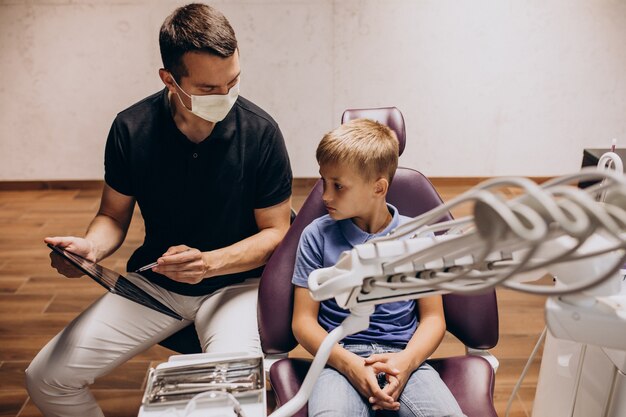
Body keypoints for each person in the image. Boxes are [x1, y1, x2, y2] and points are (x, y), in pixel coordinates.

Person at [26, 3, 292, 416]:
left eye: (233, 82)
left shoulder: (261, 132)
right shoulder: (131, 129)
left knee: (237, 405)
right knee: (45, 378)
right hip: (157, 282)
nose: (225, 96)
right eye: (208, 89)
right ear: (170, 79)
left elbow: (276, 233)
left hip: (236, 286)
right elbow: (113, 217)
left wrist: (209, 263)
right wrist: (91, 249)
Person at [291, 119, 464, 416]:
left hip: (403, 356)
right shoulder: (316, 236)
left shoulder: (417, 237)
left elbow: (433, 319)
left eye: (338, 186)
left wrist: (407, 362)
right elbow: (303, 322)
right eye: (324, 182)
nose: (325, 196)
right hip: (338, 357)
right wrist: (349, 364)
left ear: (378, 187)